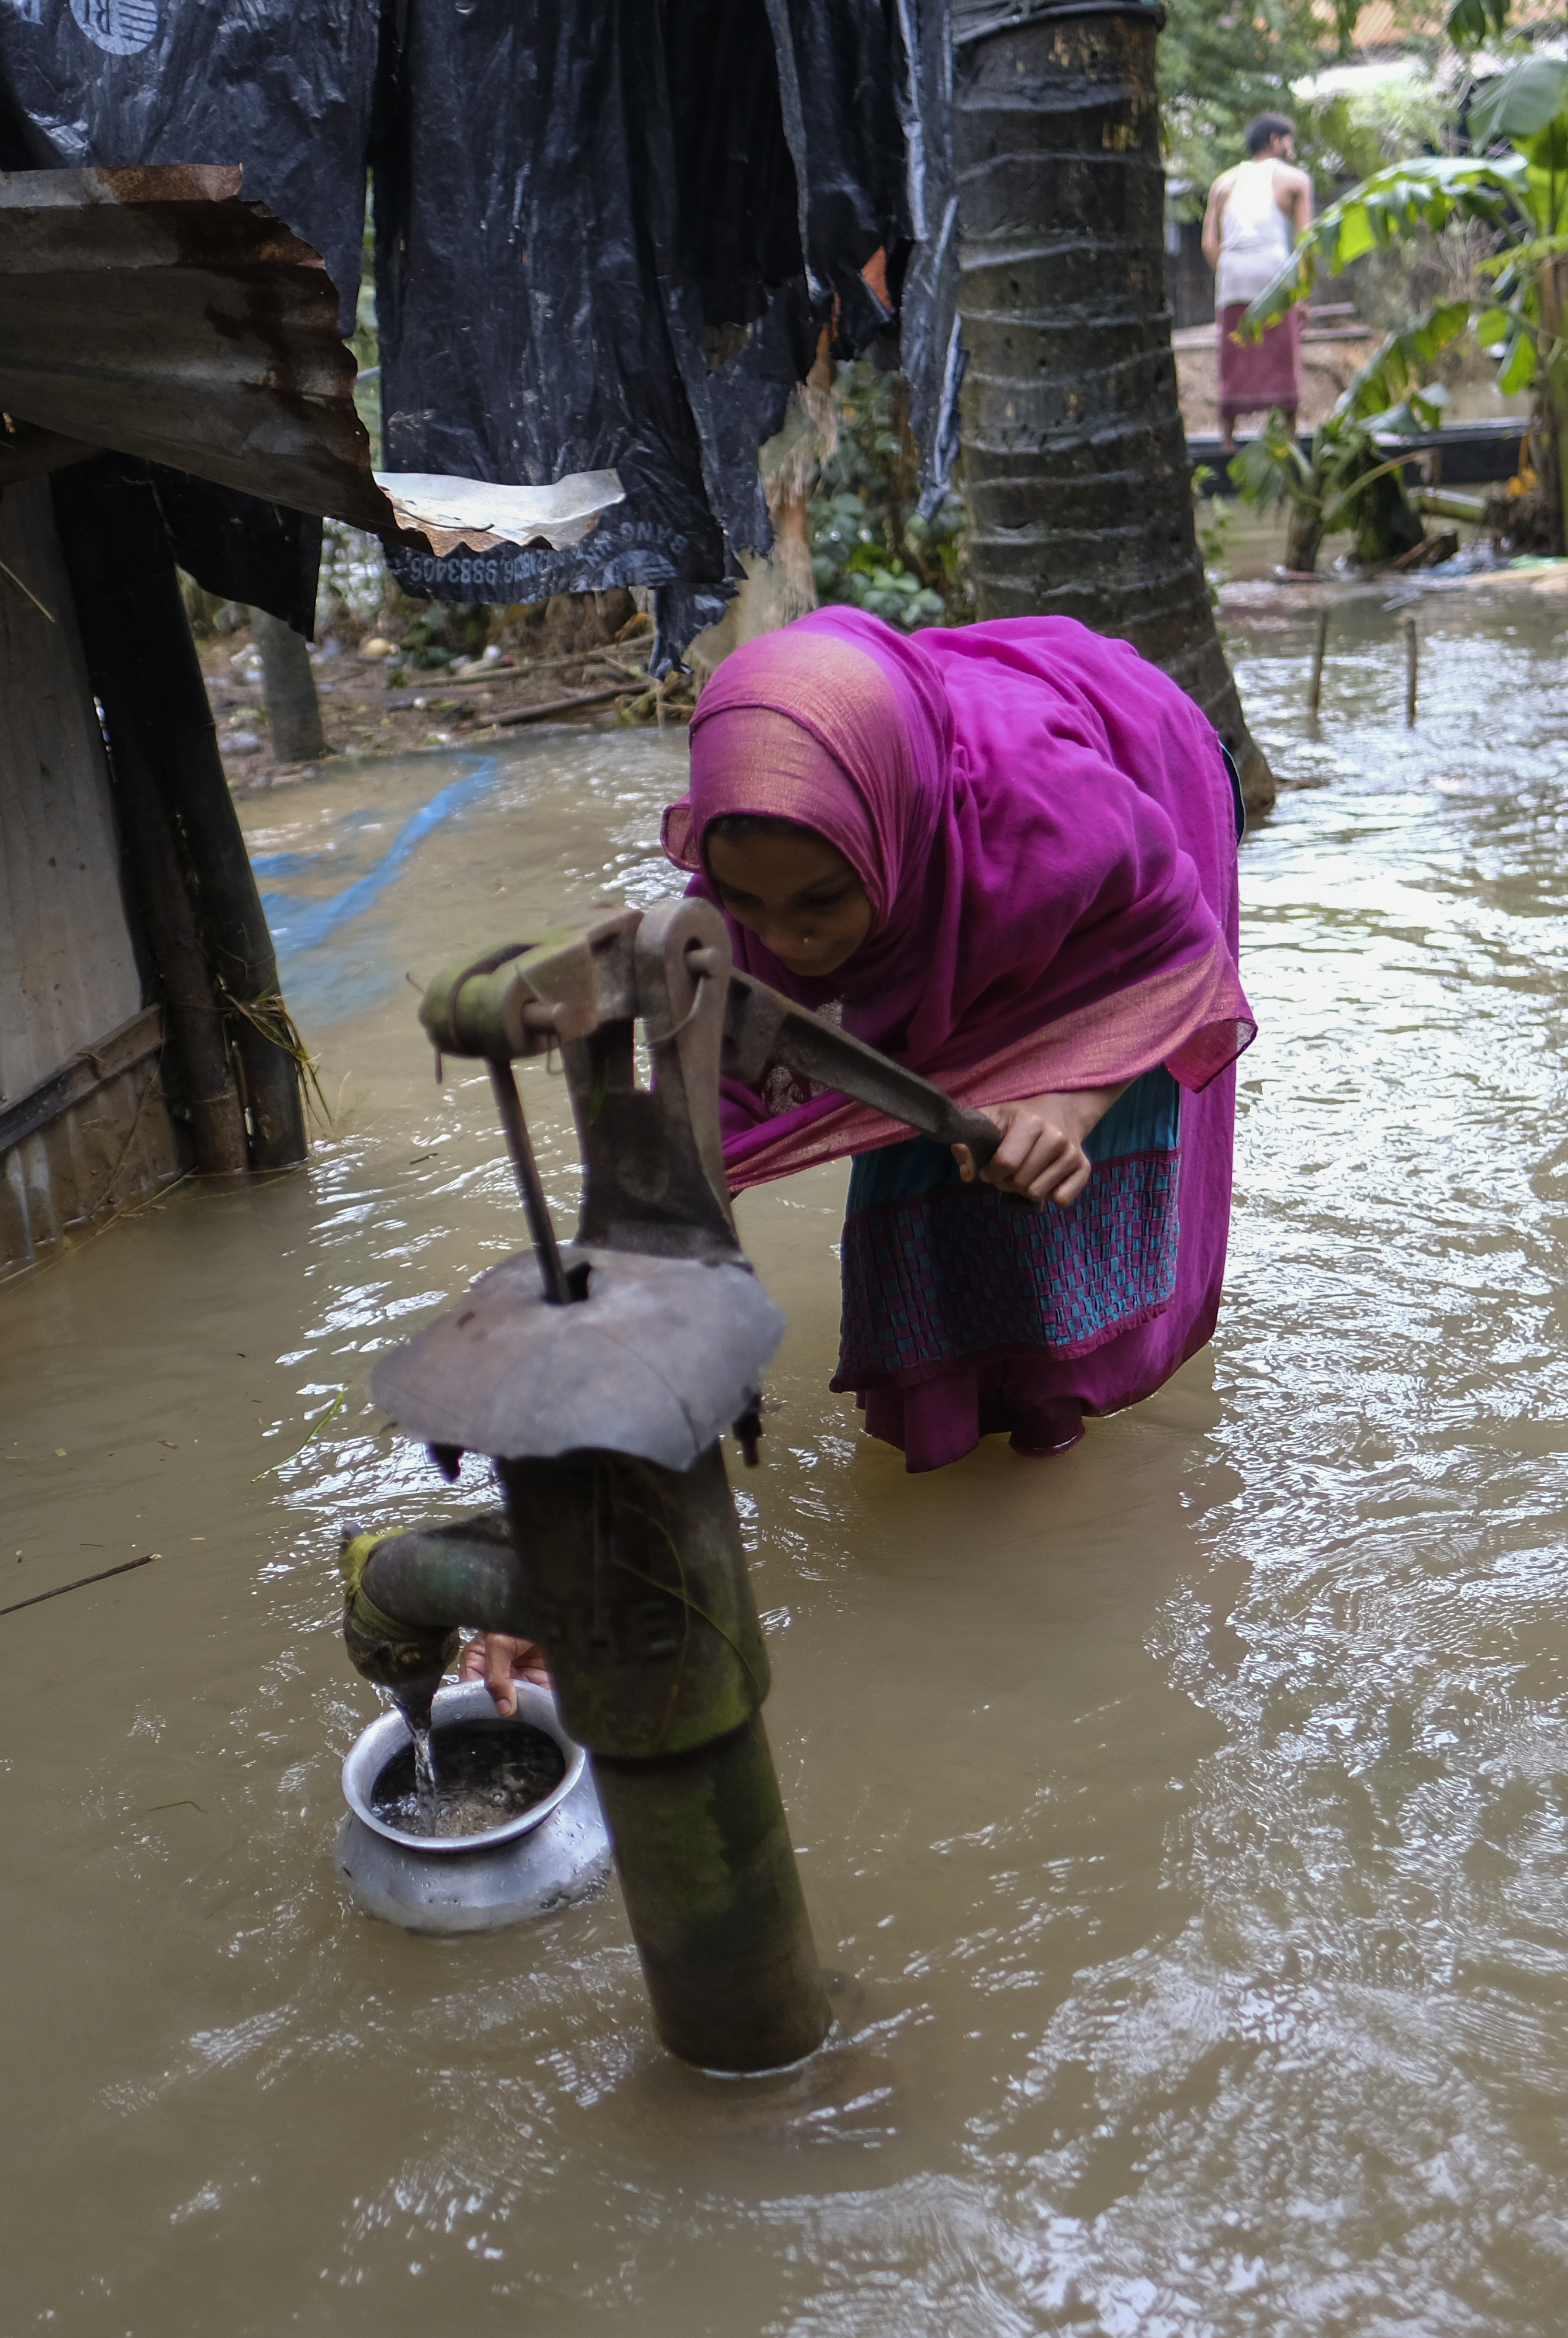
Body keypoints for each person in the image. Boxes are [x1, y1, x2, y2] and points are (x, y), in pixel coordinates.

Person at [462, 607, 1252, 1711]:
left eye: (820, 904)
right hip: (919, 865)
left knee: (1050, 1243)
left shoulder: (1053, 811)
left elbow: (1174, 957)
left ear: (885, 842)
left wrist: (1070, 1105)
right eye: (749, 905)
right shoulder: (739, 914)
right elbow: (664, 1223)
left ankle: (1061, 1475)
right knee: (934, 1173)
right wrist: (560, 1542)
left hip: (1103, 881)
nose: (788, 943)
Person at [1204, 113, 1316, 447]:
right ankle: (1291, 437)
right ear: (1274, 141)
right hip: (1274, 272)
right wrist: (1302, 296)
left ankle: (1227, 440)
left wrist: (1229, 270)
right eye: (1289, 141)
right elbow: (1306, 241)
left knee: (1234, 354)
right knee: (1282, 354)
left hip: (1233, 274)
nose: (1292, 150)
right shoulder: (1295, 180)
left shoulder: (1223, 182)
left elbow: (1209, 243)